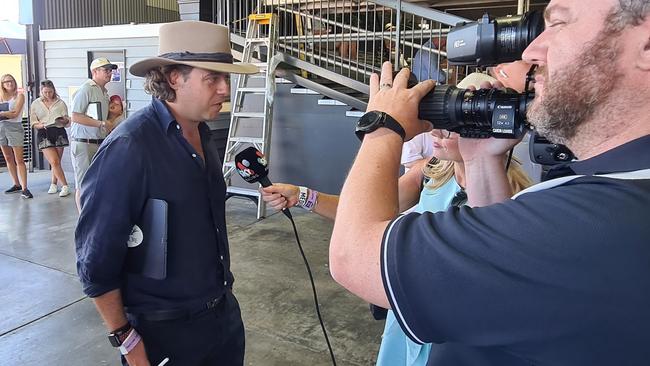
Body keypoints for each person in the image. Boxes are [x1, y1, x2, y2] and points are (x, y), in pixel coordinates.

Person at [329, 0, 650, 364]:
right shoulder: (613, 188)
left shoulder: (599, 223)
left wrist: (381, 126)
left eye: (558, 24)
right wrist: (481, 158)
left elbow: (353, 258)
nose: (532, 50)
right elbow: (508, 280)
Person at [261, 129, 531, 365]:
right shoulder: (431, 171)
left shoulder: (511, 194)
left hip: (457, 330)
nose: (437, 132)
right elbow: (357, 213)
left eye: (453, 126)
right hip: (408, 316)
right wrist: (303, 196)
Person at [75, 20, 258, 366]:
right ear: (175, 78)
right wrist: (126, 340)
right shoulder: (131, 146)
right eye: (212, 79)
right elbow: (96, 261)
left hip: (222, 317)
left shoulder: (204, 136)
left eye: (227, 78)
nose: (225, 90)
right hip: (162, 332)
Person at [69, 57, 118, 208]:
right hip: (84, 143)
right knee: (83, 184)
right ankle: (83, 222)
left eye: (111, 70)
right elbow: (75, 116)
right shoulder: (86, 89)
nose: (109, 73)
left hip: (98, 142)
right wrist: (102, 123)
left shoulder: (104, 92)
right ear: (94, 71)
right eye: (106, 70)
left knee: (96, 182)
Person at [29, 79, 71, 197]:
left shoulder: (60, 103)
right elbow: (33, 122)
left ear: (54, 91)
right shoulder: (35, 104)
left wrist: (64, 120)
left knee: (56, 162)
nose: (48, 94)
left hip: (58, 132)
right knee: (54, 161)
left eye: (50, 92)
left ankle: (53, 183)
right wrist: (40, 125)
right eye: (45, 92)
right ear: (41, 91)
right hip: (44, 132)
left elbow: (66, 120)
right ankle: (65, 185)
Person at [0, 73, 31, 199]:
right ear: (2, 84)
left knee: (19, 159)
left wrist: (3, 112)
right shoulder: (1, 96)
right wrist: (7, 113)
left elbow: (15, 113)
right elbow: (9, 113)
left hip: (15, 127)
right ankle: (16, 183)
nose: (9, 83)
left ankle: (25, 187)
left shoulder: (19, 96)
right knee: (8, 157)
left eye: (11, 81)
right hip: (1, 127)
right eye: (6, 82)